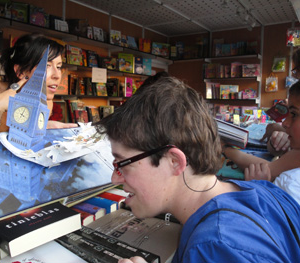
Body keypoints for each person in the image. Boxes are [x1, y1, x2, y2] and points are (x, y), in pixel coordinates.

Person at [95, 76, 300, 262]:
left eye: (122, 163)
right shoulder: (264, 191)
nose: (115, 178)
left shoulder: (215, 248)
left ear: (174, 161)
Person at [0, 33, 77, 138]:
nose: (57, 75)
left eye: (59, 67)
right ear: (21, 72)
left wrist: (44, 130)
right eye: (46, 66)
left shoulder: (45, 102)